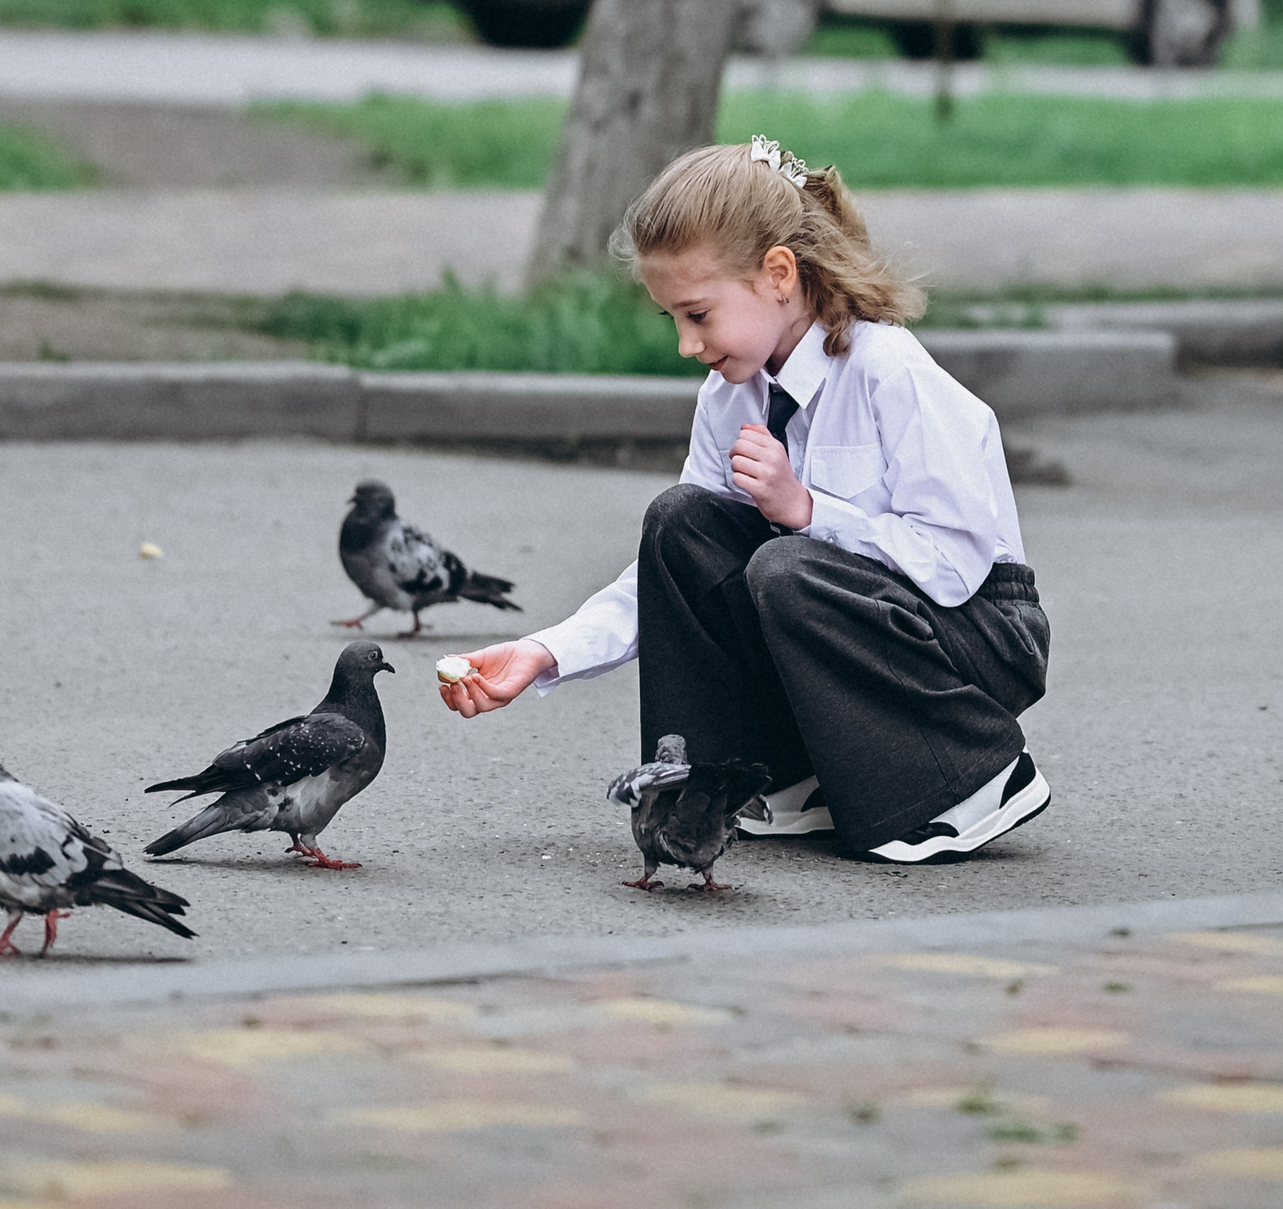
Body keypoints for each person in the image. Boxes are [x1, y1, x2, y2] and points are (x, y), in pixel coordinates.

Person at [438, 136, 1050, 863]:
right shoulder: (733, 395)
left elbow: (955, 563)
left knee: (786, 566)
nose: (686, 344)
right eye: (674, 320)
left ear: (779, 274)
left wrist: (811, 510)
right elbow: (675, 576)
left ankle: (972, 776)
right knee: (680, 523)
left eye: (698, 314)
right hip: (862, 617)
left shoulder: (890, 372)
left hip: (979, 632)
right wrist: (546, 652)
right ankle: (760, 780)